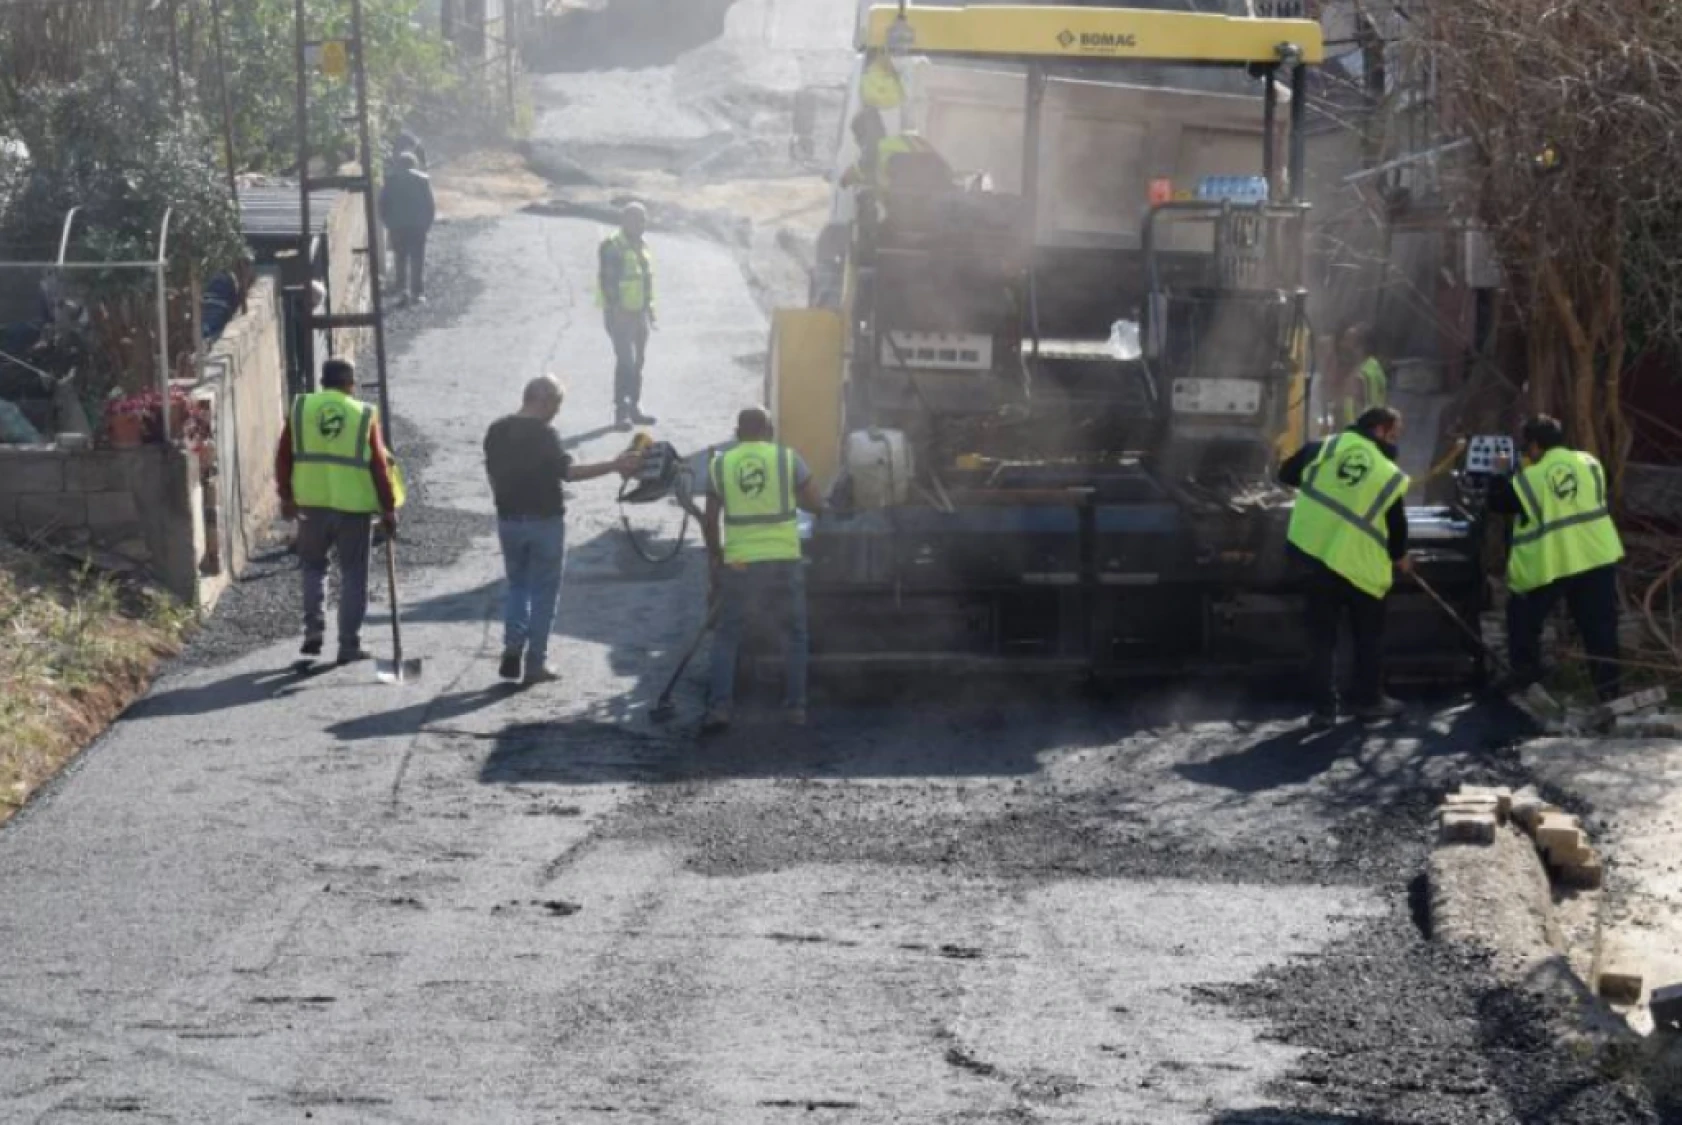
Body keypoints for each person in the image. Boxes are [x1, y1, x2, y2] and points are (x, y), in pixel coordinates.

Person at [483, 376, 642, 685]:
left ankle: (513, 645)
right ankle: (535, 664)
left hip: (509, 521)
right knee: (544, 592)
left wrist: (502, 503)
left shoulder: (497, 430)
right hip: (545, 522)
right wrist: (613, 465)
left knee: (517, 586)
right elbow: (569, 473)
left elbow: (491, 472)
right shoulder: (545, 435)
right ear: (543, 401)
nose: (556, 413)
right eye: (556, 405)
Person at [1280, 405, 1413, 727]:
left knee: (1321, 639)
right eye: (1394, 434)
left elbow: (1286, 474)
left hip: (1312, 554)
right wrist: (1401, 556)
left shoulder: (1324, 447)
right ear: (1379, 430)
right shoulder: (1386, 471)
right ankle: (1368, 700)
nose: (1396, 442)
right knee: (1368, 635)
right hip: (1358, 565)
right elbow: (1396, 523)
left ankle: (1324, 710)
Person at [701, 407, 825, 733]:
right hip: (784, 558)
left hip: (740, 562)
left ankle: (720, 707)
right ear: (768, 430)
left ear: (737, 431)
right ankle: (795, 707)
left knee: (728, 634)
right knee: (795, 634)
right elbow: (815, 502)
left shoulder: (721, 464)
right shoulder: (788, 459)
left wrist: (716, 557)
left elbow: (710, 519)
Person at [1488, 414, 1625, 702]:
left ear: (1535, 446)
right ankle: (1609, 692)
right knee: (1600, 628)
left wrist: (1500, 473)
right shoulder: (1590, 463)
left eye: (1526, 448)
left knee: (1523, 619)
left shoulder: (1529, 479)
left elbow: (1498, 503)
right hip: (1596, 558)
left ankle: (1526, 678)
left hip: (1552, 563)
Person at [276, 357, 400, 664]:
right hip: (353, 509)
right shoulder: (364, 414)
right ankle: (348, 645)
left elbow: (283, 457)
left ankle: (313, 631)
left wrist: (286, 497)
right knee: (354, 574)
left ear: (322, 382)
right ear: (351, 384)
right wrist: (388, 509)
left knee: (313, 567)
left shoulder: (301, 408)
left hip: (311, 505)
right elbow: (379, 467)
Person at [598, 203, 657, 430]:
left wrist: (649, 310)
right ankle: (621, 412)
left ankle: (635, 406)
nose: (641, 225)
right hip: (620, 315)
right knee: (626, 363)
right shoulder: (612, 246)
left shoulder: (642, 245)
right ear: (624, 221)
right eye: (636, 220)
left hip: (639, 313)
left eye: (643, 220)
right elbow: (607, 281)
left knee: (639, 362)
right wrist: (616, 309)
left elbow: (645, 281)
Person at [380, 152, 436, 306]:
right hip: (417, 226)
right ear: (414, 164)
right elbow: (430, 205)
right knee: (417, 259)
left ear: (399, 164)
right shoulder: (423, 180)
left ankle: (402, 290)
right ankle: (417, 293)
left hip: (397, 226)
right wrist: (427, 224)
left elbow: (382, 204)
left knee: (400, 258)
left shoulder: (390, 180)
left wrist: (388, 223)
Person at [1334, 323, 1387, 428]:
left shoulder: (1362, 375)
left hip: (1359, 436)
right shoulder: (1373, 366)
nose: (1341, 345)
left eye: (1347, 340)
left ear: (1360, 345)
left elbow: (1360, 407)